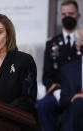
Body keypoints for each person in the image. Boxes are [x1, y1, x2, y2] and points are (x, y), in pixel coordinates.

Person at [37, 1, 81, 131]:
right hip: (59, 92)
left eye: (71, 13)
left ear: (78, 15)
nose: (67, 16)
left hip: (79, 92)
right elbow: (47, 76)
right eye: (64, 14)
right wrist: (58, 93)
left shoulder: (82, 39)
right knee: (43, 106)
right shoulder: (52, 43)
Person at [60, 28, 83, 131]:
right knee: (78, 102)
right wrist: (74, 97)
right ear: (78, 47)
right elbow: (63, 99)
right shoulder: (68, 69)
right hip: (76, 109)